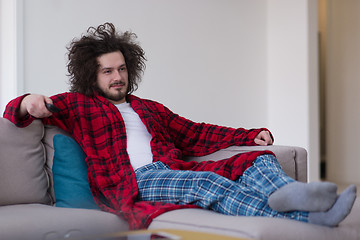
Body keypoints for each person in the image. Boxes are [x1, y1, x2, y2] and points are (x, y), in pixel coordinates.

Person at [3, 23, 356, 230]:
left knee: (255, 160)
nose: (117, 76)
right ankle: (306, 216)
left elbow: (195, 132)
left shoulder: (149, 108)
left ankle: (285, 190)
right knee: (205, 181)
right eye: (108, 71)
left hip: (170, 170)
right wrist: (27, 102)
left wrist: (249, 136)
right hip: (132, 182)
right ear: (91, 75)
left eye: (122, 68)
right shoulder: (79, 105)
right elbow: (16, 112)